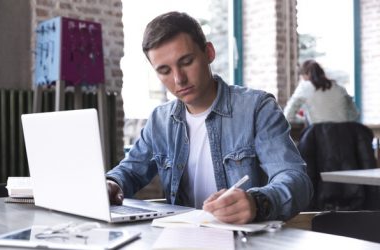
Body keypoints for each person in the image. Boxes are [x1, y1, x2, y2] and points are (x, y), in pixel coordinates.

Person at [106, 11, 313, 224]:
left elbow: (296, 181)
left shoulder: (257, 108)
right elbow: (130, 171)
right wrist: (112, 183)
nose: (179, 79)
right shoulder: (160, 120)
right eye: (165, 70)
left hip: (245, 241)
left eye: (186, 61)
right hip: (182, 240)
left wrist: (257, 202)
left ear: (209, 52)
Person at [283, 59, 359, 125]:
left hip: (319, 136)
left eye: (301, 76)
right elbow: (354, 115)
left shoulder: (305, 87)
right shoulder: (339, 88)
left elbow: (288, 115)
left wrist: (304, 118)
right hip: (345, 136)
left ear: (307, 74)